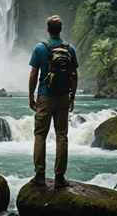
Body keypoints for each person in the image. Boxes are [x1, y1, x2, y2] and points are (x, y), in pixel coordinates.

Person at [28, 15, 79, 188]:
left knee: (40, 135)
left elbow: (34, 74)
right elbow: (74, 75)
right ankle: (59, 177)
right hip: (63, 96)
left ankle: (40, 175)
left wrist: (31, 97)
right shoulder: (69, 48)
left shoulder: (40, 48)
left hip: (45, 95)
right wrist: (72, 97)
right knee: (62, 136)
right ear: (61, 29)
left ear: (48, 29)